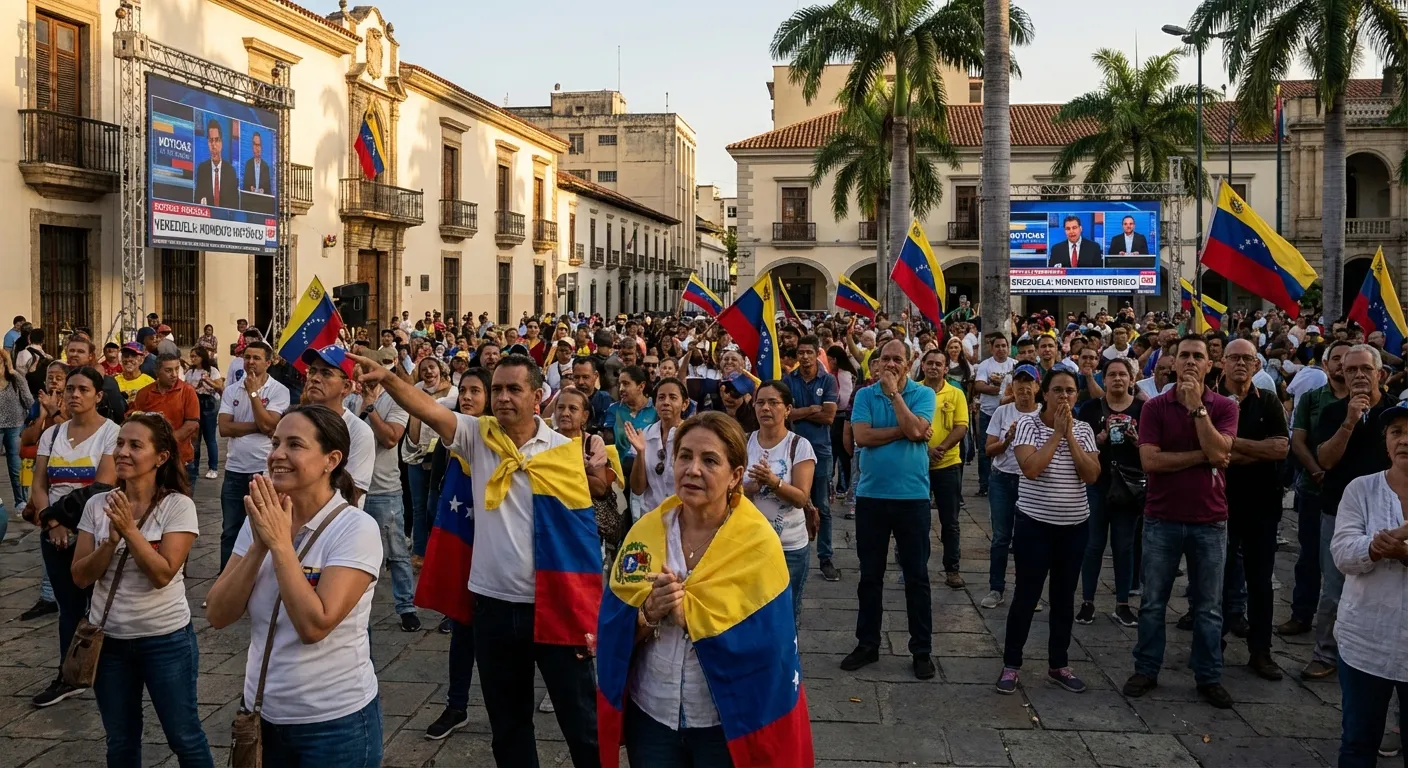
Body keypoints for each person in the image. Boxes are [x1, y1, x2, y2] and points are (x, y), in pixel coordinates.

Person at [348, 352, 601, 767]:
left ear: (538, 395)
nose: (502, 398)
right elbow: (427, 408)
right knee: (509, 727)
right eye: (497, 389)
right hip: (494, 609)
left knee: (582, 727)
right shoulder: (477, 436)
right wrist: (390, 380)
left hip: (554, 608)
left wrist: (587, 616)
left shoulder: (562, 451)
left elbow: (580, 541)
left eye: (513, 389)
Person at [596, 411, 813, 767]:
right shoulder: (646, 533)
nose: (692, 469)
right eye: (685, 456)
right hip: (652, 714)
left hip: (723, 723)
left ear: (735, 476)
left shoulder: (757, 545)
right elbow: (612, 625)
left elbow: (767, 650)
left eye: (710, 460)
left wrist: (691, 617)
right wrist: (648, 614)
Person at [206, 405, 384, 767]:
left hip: (334, 724)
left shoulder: (355, 529)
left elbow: (314, 625)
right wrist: (259, 544)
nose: (277, 455)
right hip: (264, 712)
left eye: (295, 445)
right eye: (275, 443)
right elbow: (218, 613)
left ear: (330, 460)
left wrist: (280, 544)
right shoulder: (263, 518)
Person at [70, 414, 213, 767]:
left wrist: (129, 532)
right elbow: (80, 576)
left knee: (184, 737)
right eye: (120, 443)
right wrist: (109, 545)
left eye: (135, 445)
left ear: (161, 457)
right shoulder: (95, 505)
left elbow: (163, 574)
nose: (123, 452)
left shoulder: (178, 506)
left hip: (164, 640)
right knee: (120, 741)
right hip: (109, 641)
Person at [1124, 335, 1238, 709]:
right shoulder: (1154, 408)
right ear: (1172, 363)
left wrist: (1197, 412)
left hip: (1210, 520)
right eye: (1183, 356)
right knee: (1154, 602)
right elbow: (1151, 462)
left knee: (1208, 606)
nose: (1190, 362)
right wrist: (1202, 456)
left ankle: (1209, 676)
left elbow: (1221, 452)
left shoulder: (1223, 407)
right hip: (1162, 518)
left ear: (1210, 365)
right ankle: (1146, 668)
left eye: (1197, 357)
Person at [996, 368, 1101, 695]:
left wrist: (1069, 435)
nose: (1065, 397)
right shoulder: (1027, 425)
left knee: (1063, 598)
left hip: (1074, 528)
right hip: (1034, 526)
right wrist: (1056, 433)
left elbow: (1092, 474)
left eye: (1071, 391)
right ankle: (1011, 663)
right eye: (1058, 390)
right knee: (1026, 595)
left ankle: (1059, 663)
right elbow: (1031, 468)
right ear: (1045, 393)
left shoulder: (1083, 430)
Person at [25, 366, 120, 707]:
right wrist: (52, 523)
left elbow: (103, 485)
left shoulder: (111, 433)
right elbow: (39, 485)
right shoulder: (52, 434)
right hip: (55, 533)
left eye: (83, 389)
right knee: (68, 606)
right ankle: (69, 674)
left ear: (98, 395)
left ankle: (105, 669)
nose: (75, 395)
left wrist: (56, 516)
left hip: (93, 531)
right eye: (70, 389)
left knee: (99, 603)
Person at [843, 339, 937, 679]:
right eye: (886, 359)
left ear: (910, 363)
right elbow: (862, 438)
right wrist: (907, 431)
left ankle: (922, 649)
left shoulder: (924, 394)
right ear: (877, 363)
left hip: (912, 498)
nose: (892, 364)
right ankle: (867, 643)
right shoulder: (865, 395)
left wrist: (896, 396)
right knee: (870, 576)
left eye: (898, 359)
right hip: (872, 498)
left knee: (917, 577)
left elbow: (918, 430)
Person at [1305, 344, 1394, 680]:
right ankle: (1326, 652)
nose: (1357, 376)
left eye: (1365, 370)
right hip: (1339, 510)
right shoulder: (1333, 413)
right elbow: (1325, 460)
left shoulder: (1396, 416)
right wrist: (1349, 421)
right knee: (1334, 587)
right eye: (1350, 369)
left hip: (1387, 513)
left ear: (1380, 375)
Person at [1330, 401, 1408, 768]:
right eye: (1397, 432)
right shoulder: (1361, 490)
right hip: (1366, 641)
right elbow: (1343, 552)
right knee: (1358, 743)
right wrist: (1376, 547)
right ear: (1386, 442)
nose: (1405, 440)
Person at [1214, 338, 1290, 680]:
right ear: (1223, 363)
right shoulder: (1209, 399)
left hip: (1262, 503)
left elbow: (1279, 450)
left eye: (1248, 358)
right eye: (1235, 358)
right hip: (1218, 501)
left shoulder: (1269, 401)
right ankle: (1212, 645)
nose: (1241, 364)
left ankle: (1261, 651)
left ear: (1257, 365)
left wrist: (1230, 445)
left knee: (1260, 581)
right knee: (1216, 577)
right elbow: (1206, 448)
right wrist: (1252, 450)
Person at [420, 366, 490, 738]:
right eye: (463, 390)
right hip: (462, 546)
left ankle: (508, 710)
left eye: (476, 390)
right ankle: (456, 705)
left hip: (498, 556)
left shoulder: (498, 439)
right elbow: (438, 486)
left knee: (503, 645)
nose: (467, 396)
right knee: (463, 632)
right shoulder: (454, 436)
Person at [1279, 341, 1351, 638]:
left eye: (1347, 359)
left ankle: (1344, 624)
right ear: (1326, 365)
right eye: (1336, 358)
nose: (1340, 365)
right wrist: (1318, 472)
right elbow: (1298, 441)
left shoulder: (1367, 400)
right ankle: (1302, 614)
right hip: (1314, 489)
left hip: (1351, 494)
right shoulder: (1311, 398)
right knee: (1309, 556)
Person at [1075, 357, 1143, 627]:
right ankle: (1088, 601)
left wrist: (1138, 440)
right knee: (1092, 545)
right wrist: (1098, 438)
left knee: (1124, 546)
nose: (1117, 379)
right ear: (1103, 379)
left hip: (1129, 484)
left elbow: (1151, 447)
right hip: (1098, 481)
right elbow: (1079, 444)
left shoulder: (1142, 409)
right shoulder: (1091, 408)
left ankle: (1123, 603)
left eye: (1122, 374)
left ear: (1131, 379)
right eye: (1112, 374)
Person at [743, 381, 817, 627]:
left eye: (773, 402)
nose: (766, 408)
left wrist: (773, 482)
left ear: (787, 409)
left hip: (788, 547)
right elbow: (728, 490)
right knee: (749, 611)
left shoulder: (799, 446)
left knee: (785, 613)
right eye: (760, 402)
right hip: (749, 544)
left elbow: (801, 498)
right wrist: (750, 487)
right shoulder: (745, 442)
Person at [216, 341, 290, 569]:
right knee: (230, 529)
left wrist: (254, 394)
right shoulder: (231, 390)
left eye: (256, 358)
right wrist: (260, 425)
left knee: (264, 528)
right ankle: (225, 579)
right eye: (247, 357)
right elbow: (225, 428)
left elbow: (271, 426)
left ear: (268, 363)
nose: (250, 362)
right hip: (235, 469)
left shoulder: (279, 391)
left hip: (263, 469)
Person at [981, 363, 1042, 609]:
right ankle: (996, 588)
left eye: (1029, 385)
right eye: (1020, 385)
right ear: (1012, 387)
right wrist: (1008, 439)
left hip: (1032, 482)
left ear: (1037, 387)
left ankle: (1027, 591)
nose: (1024, 390)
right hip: (1002, 480)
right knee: (1001, 537)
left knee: (1028, 539)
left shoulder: (1043, 414)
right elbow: (988, 450)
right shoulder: (1002, 413)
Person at [783, 335, 839, 583]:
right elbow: (787, 414)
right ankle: (795, 548)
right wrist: (810, 409)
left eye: (809, 352)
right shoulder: (788, 381)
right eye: (800, 353)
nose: (804, 357)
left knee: (823, 506)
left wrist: (800, 413)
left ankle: (825, 556)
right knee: (794, 501)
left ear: (817, 353)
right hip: (793, 450)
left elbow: (829, 416)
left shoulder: (827, 381)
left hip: (820, 449)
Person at [918, 349, 969, 589]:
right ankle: (916, 566)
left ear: (946, 368)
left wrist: (939, 448)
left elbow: (961, 427)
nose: (934, 368)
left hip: (948, 464)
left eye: (939, 364)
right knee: (918, 519)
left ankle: (952, 569)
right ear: (922, 365)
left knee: (950, 521)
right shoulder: (914, 391)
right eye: (930, 363)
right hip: (918, 464)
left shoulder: (956, 393)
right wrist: (925, 450)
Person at [299, 346, 375, 506]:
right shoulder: (295, 422)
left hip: (337, 525)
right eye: (312, 371)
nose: (315, 378)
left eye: (326, 373)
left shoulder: (359, 431)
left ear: (346, 387)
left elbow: (351, 492)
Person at [126, 353, 200, 474]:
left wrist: (165, 442)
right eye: (168, 370)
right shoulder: (144, 393)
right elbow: (134, 419)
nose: (174, 374)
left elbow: (192, 425)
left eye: (177, 369)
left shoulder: (187, 391)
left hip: (181, 460)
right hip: (152, 462)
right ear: (157, 372)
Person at [626, 377, 688, 521]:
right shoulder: (645, 435)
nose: (666, 402)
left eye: (672, 397)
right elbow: (637, 488)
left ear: (684, 404)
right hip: (652, 516)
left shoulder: (692, 436)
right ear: (655, 404)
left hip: (683, 517)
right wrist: (640, 453)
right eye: (661, 398)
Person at [608, 366, 657, 512]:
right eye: (619, 384)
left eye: (626, 383)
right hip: (620, 478)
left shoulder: (655, 410)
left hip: (648, 477)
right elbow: (609, 442)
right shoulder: (614, 409)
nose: (621, 388)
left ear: (641, 386)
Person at [974, 333, 1015, 497]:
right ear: (992, 349)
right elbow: (979, 385)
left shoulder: (1014, 364)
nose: (1001, 349)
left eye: (1004, 346)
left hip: (1008, 413)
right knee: (985, 449)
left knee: (1007, 446)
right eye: (997, 346)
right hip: (988, 412)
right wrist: (999, 389)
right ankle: (984, 484)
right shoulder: (985, 365)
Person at [0, 349, 34, 528]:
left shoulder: (15, 379)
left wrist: (14, 372)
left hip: (14, 426)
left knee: (16, 466)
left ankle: (21, 501)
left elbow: (29, 401)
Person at [184, 346, 223, 481]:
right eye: (192, 356)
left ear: (202, 357)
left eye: (195, 356)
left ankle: (213, 467)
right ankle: (194, 466)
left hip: (208, 403)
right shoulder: (190, 372)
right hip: (194, 402)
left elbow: (220, 387)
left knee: (209, 437)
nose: (193, 359)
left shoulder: (212, 371)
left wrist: (208, 381)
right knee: (195, 437)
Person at [193, 118, 234, 208]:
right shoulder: (202, 169)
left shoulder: (230, 171)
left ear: (221, 142)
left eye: (217, 140)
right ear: (208, 143)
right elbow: (196, 201)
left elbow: (234, 205)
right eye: (211, 140)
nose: (214, 145)